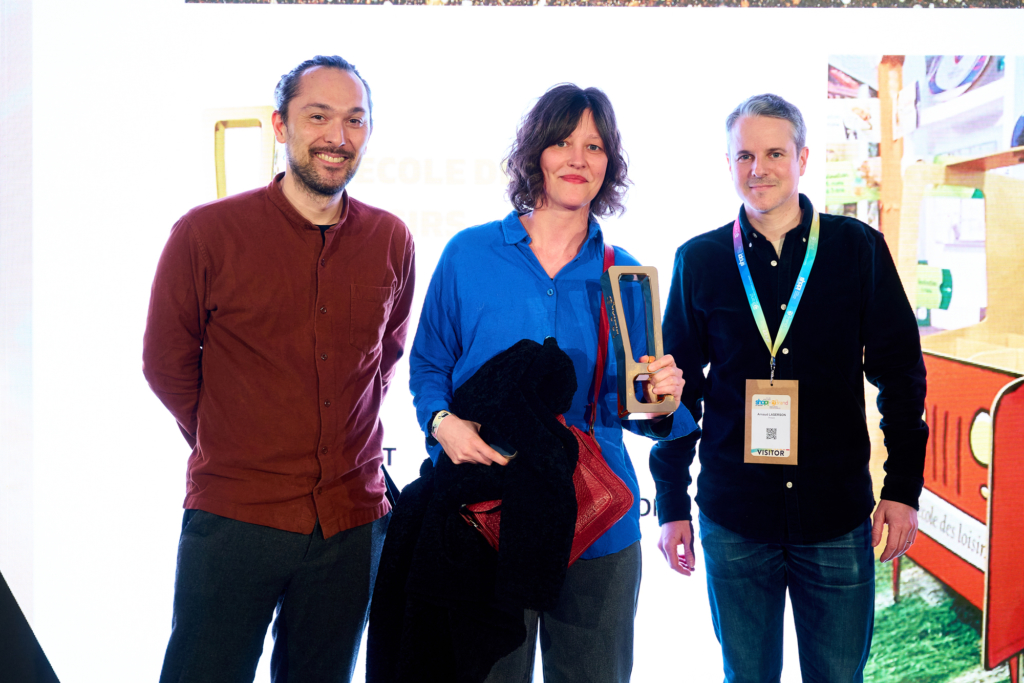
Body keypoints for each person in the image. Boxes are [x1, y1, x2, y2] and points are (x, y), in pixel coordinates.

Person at [409, 83, 697, 683]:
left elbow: (639, 408)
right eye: (563, 142)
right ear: (535, 152)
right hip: (488, 513)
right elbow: (429, 364)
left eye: (594, 146)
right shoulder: (469, 254)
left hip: (597, 526)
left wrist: (663, 398)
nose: (577, 159)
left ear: (608, 164)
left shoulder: (625, 274)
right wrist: (442, 423)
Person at [143, 55, 415, 683]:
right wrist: (231, 438)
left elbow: (385, 358)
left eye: (354, 120)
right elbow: (165, 363)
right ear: (281, 126)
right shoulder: (206, 233)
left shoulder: (391, 238)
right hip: (237, 515)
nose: (337, 136)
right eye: (318, 116)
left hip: (351, 521)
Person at [651, 93, 928, 683]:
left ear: (802, 158)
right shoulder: (699, 260)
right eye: (744, 155)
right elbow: (679, 392)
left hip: (835, 517)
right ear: (729, 163)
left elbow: (901, 374)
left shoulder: (857, 249)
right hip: (734, 518)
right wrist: (671, 503)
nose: (759, 169)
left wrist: (903, 489)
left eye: (775, 153)